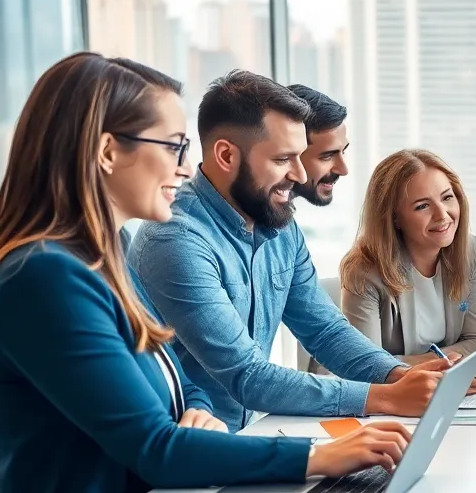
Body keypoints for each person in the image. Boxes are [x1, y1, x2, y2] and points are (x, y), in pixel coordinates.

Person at [0, 53, 412, 493]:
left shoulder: (105, 253)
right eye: (173, 147)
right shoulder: (44, 277)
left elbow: (182, 379)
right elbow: (153, 448)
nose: (186, 167)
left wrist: (200, 414)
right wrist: (320, 457)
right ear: (106, 152)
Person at [128, 70, 442, 431]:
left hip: (249, 436)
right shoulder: (176, 240)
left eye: (299, 157)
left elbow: (325, 331)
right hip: (193, 453)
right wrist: (386, 397)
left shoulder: (280, 226)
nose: (299, 174)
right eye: (282, 160)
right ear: (226, 156)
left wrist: (400, 376)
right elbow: (246, 375)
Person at [337, 150, 476, 371]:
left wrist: (438, 368)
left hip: (444, 389)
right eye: (422, 206)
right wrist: (437, 365)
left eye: (447, 197)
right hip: (383, 398)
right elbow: (366, 367)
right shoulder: (363, 272)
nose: (442, 215)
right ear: (394, 218)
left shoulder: (469, 251)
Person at [287, 83, 350, 206]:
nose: (343, 170)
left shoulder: (284, 220)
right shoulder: (250, 222)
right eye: (327, 156)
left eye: (343, 151)